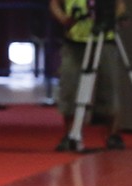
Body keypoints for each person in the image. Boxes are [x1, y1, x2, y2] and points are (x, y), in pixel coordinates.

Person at [49, 0, 126, 151]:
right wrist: (64, 19)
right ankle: (70, 134)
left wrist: (112, 19)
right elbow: (54, 4)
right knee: (69, 87)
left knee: (108, 86)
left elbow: (120, 5)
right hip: (74, 40)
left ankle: (112, 135)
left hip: (105, 39)